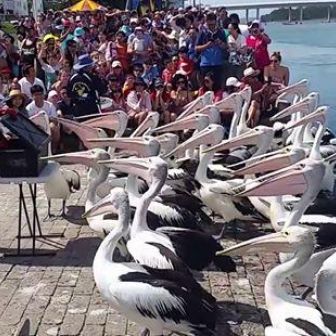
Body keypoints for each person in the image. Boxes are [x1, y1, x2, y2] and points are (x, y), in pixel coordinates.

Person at [195, 12, 228, 88]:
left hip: (217, 64)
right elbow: (196, 48)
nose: (211, 27)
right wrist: (207, 45)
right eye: (209, 25)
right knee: (205, 88)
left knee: (217, 87)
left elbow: (226, 47)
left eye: (213, 25)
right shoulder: (202, 33)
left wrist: (220, 43)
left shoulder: (221, 32)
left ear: (216, 22)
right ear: (206, 23)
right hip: (205, 65)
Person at [26, 84, 60, 152]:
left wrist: (47, 119)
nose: (39, 96)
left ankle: (53, 149)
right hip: (35, 128)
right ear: (32, 96)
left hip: (48, 126)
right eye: (36, 94)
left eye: (40, 94)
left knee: (54, 127)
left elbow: (55, 121)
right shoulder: (29, 108)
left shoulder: (50, 105)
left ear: (43, 95)